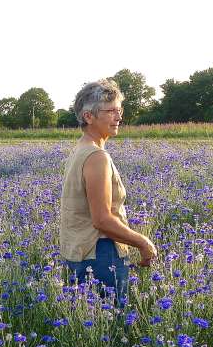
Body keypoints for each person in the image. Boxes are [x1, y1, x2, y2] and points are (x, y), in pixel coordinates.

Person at [59, 80, 157, 306]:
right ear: (88, 117)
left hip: (78, 251)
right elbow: (102, 220)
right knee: (109, 329)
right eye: (110, 111)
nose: (118, 117)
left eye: (119, 110)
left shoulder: (79, 150)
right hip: (100, 254)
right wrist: (143, 242)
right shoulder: (96, 157)